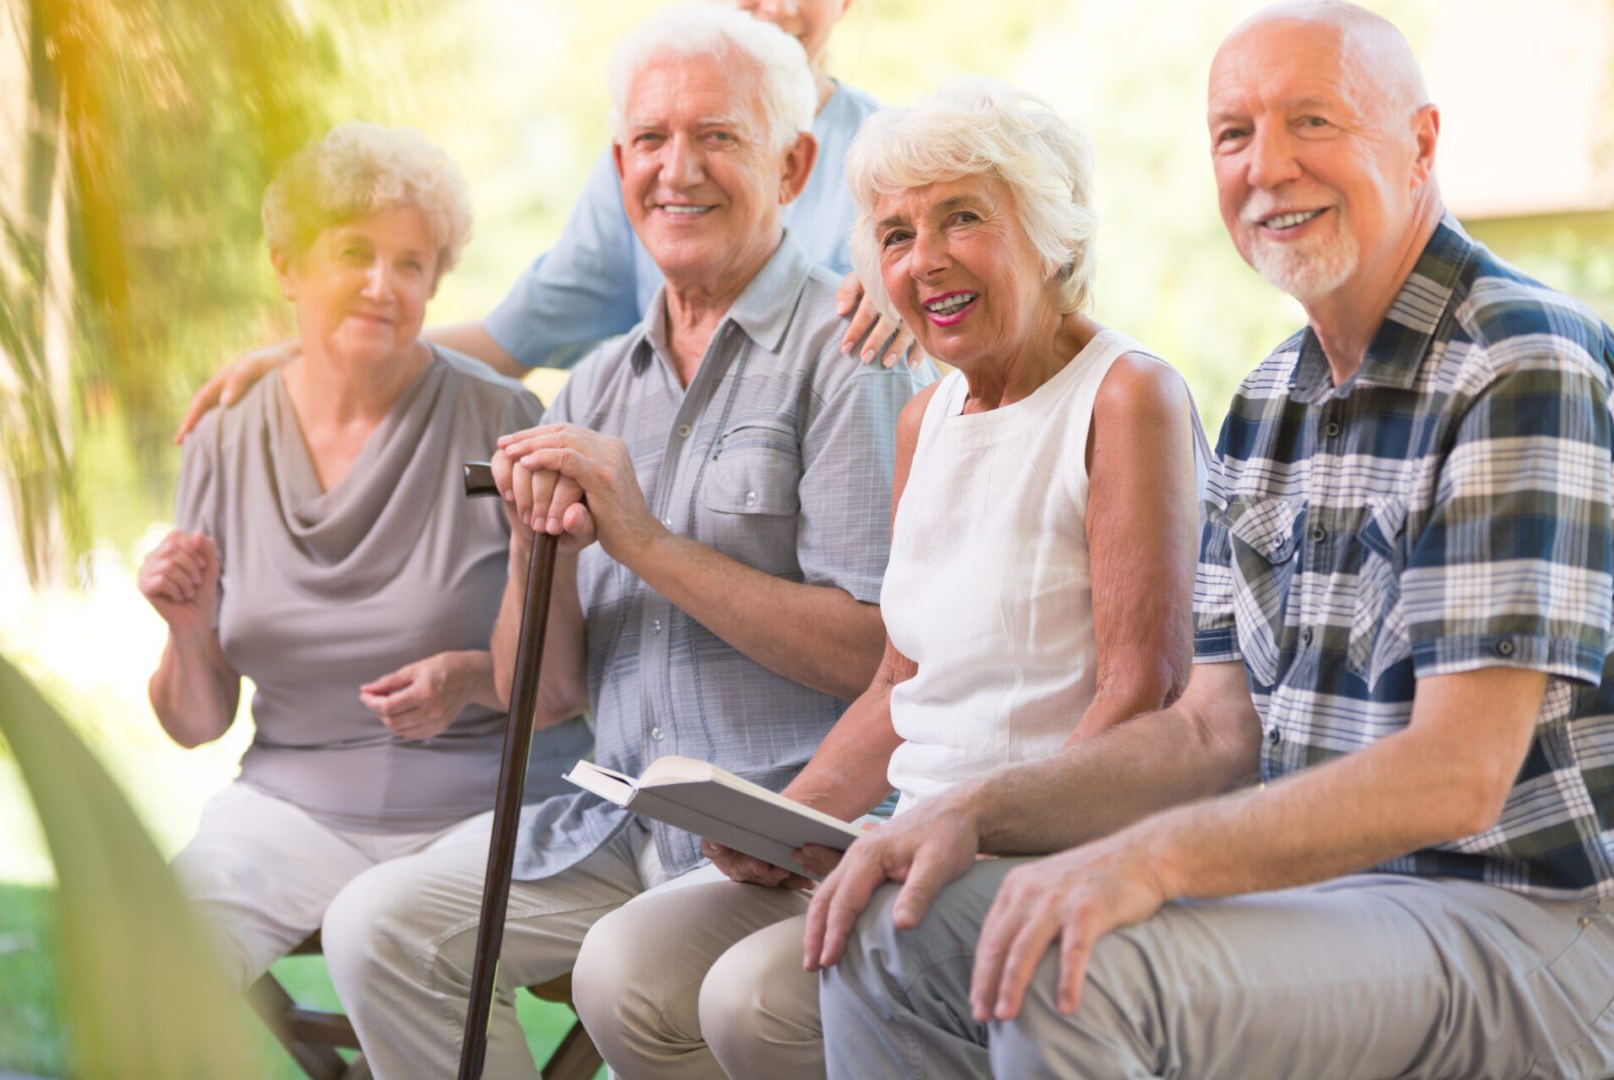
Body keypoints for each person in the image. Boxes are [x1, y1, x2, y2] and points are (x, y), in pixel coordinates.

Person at [807, 4, 1614, 1078]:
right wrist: (968, 816)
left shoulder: (1519, 362)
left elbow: (1457, 777)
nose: (1268, 166)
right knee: (888, 922)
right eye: (1234, 134)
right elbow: (1206, 736)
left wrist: (1142, 859)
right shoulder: (1272, 398)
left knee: (1067, 967)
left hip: (1521, 922)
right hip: (1334, 911)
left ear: (1420, 143)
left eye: (1312, 122)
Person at [307, 8, 929, 1077]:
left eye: (717, 138)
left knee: (631, 978)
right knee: (378, 929)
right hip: (617, 828)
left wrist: (638, 539)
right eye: (651, 140)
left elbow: (873, 652)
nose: (676, 170)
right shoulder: (594, 384)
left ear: (793, 163)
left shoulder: (852, 353)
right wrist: (530, 548)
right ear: (619, 162)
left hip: (789, 834)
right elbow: (541, 696)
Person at [568, 77, 1211, 1080]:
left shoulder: (1127, 397)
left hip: (1034, 851)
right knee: (625, 966)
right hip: (898, 831)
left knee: (756, 1001)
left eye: (964, 219)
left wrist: (991, 833)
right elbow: (897, 681)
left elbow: (1142, 695)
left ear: (1049, 233)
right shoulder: (927, 418)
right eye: (897, 234)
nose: (927, 260)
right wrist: (795, 823)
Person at [136, 122, 589, 991]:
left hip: (479, 807)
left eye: (411, 263)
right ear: (288, 265)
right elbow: (196, 723)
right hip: (287, 811)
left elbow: (560, 677)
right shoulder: (223, 437)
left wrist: (465, 677)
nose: (382, 286)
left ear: (436, 279)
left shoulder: (501, 421)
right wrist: (190, 632)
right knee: (155, 961)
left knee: (383, 939)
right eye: (354, 253)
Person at [171, 0, 913, 445]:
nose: (775, 3)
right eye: (655, 141)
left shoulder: (900, 163)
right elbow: (508, 339)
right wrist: (326, 353)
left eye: (719, 138)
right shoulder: (645, 171)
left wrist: (920, 302)